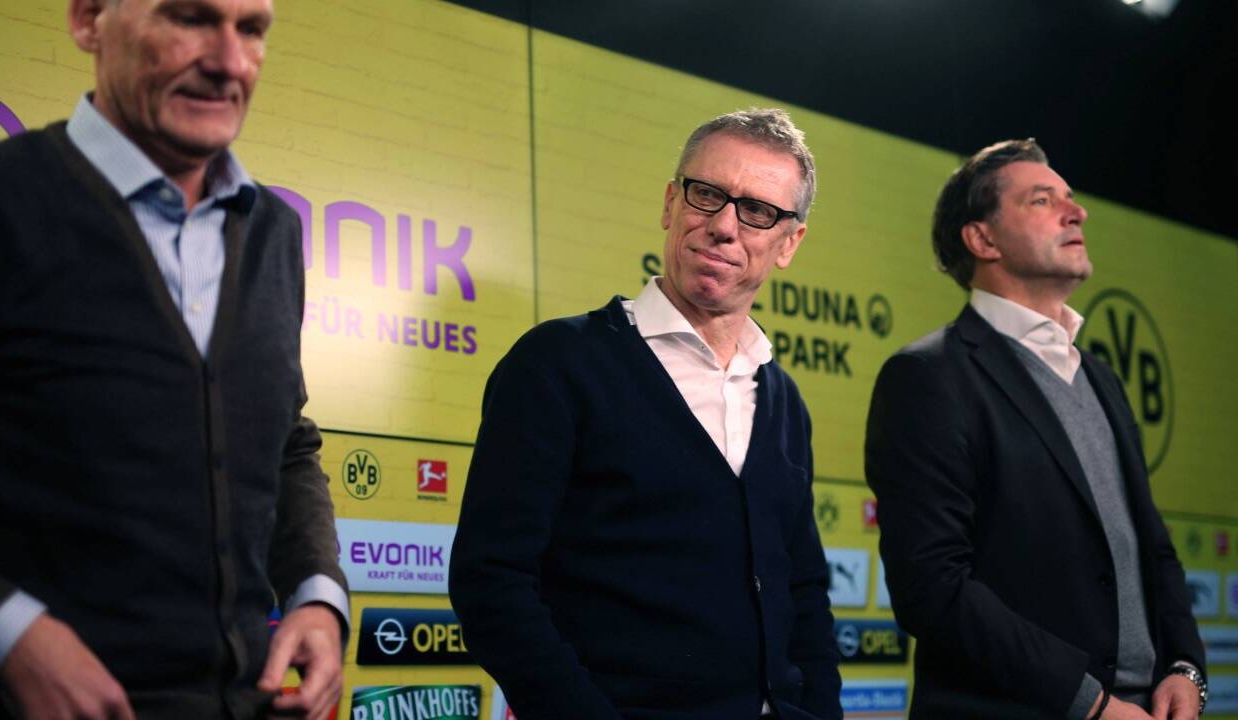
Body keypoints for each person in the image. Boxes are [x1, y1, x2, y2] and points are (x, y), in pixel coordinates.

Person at [0, 1, 347, 718]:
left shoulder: (275, 234)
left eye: (251, 29)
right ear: (89, 20)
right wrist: (1, 635)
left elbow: (285, 445)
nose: (229, 62)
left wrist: (318, 595)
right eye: (189, 18)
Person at [449, 108, 842, 720]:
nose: (724, 226)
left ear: (789, 242)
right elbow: (491, 581)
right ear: (670, 203)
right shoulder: (557, 363)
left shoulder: (783, 399)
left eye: (757, 211)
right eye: (707, 194)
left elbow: (804, 593)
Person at [864, 139, 1206, 720]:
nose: (1077, 213)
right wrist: (1092, 704)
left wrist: (1184, 666)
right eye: (1043, 200)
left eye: (1071, 198)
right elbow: (933, 587)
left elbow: (1152, 546)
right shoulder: (928, 375)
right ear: (983, 240)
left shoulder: (1101, 377)